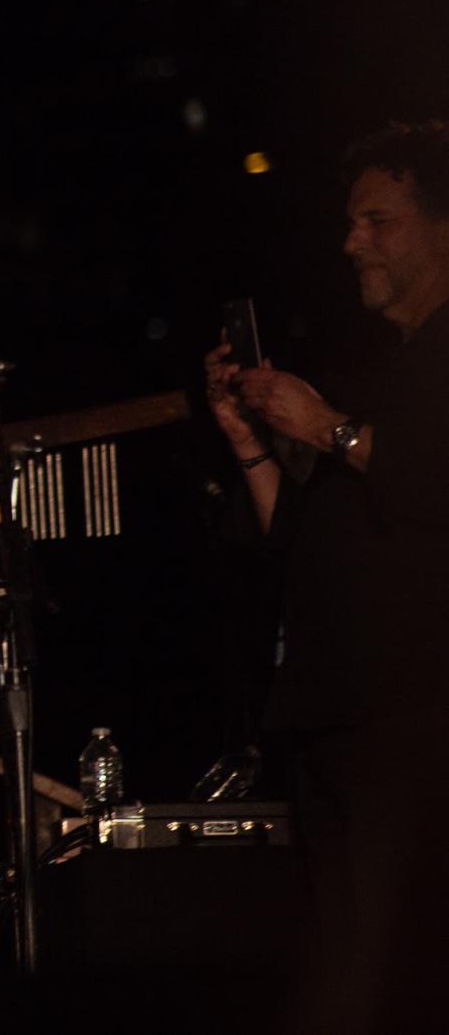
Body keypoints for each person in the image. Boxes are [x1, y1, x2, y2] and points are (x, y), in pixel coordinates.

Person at [203, 120, 449, 1029]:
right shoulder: (380, 364)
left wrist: (329, 429)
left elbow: (425, 478)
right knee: (343, 966)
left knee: (406, 967)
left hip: (414, 723)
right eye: (351, 222)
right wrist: (250, 447)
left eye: (376, 220)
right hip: (330, 716)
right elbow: (297, 545)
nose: (352, 242)